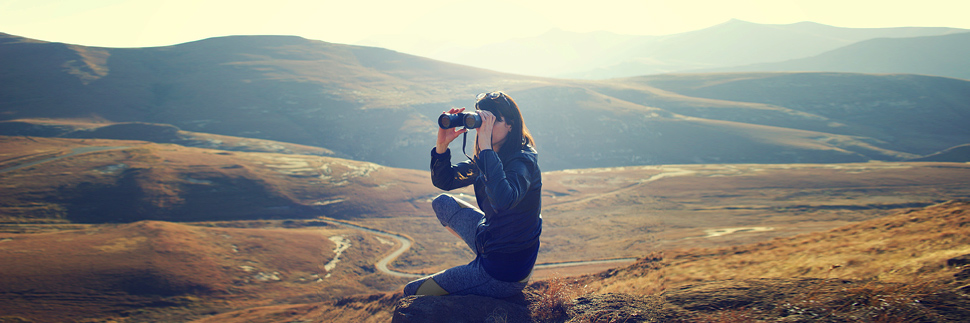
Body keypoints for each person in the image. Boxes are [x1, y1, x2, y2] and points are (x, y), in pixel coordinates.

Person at [403, 91, 542, 298]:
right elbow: (445, 181)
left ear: (511, 125)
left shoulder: (522, 161)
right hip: (492, 237)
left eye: (493, 121)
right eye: (481, 121)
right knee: (442, 203)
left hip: (504, 271)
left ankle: (480, 272)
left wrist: (485, 147)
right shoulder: (493, 154)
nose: (484, 128)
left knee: (412, 292)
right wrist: (442, 146)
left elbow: (504, 201)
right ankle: (481, 258)